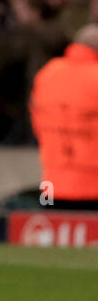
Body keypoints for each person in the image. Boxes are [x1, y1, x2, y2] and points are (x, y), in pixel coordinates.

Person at [29, 25, 98, 208]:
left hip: (52, 180)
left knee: (52, 232)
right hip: (92, 183)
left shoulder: (47, 73)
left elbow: (36, 119)